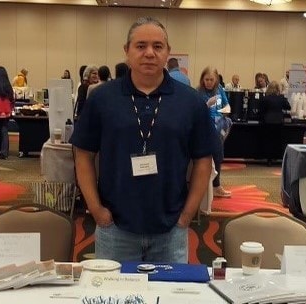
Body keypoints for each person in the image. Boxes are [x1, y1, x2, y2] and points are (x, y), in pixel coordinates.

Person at [71, 16, 216, 263]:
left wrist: (187, 214)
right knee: (114, 300)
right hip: (115, 227)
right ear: (127, 51)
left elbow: (203, 159)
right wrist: (96, 209)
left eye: (157, 46)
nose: (149, 53)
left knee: (169, 298)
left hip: (171, 229)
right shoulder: (102, 98)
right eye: (141, 46)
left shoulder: (191, 102)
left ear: (168, 53)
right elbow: (83, 153)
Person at [198, 66, 232, 198]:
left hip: (217, 128)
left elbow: (227, 106)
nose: (209, 82)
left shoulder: (220, 90)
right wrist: (207, 104)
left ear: (216, 80)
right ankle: (201, 187)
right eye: (206, 79)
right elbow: (196, 113)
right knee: (204, 159)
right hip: (204, 129)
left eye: (212, 79)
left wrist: (222, 113)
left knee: (218, 157)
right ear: (202, 79)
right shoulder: (198, 92)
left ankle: (216, 186)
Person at [259, 81, 291, 165]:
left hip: (268, 121)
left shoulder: (265, 98)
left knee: (269, 140)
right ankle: (277, 157)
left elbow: (261, 110)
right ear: (278, 89)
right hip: (279, 121)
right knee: (278, 140)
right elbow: (288, 106)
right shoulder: (281, 98)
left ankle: (269, 159)